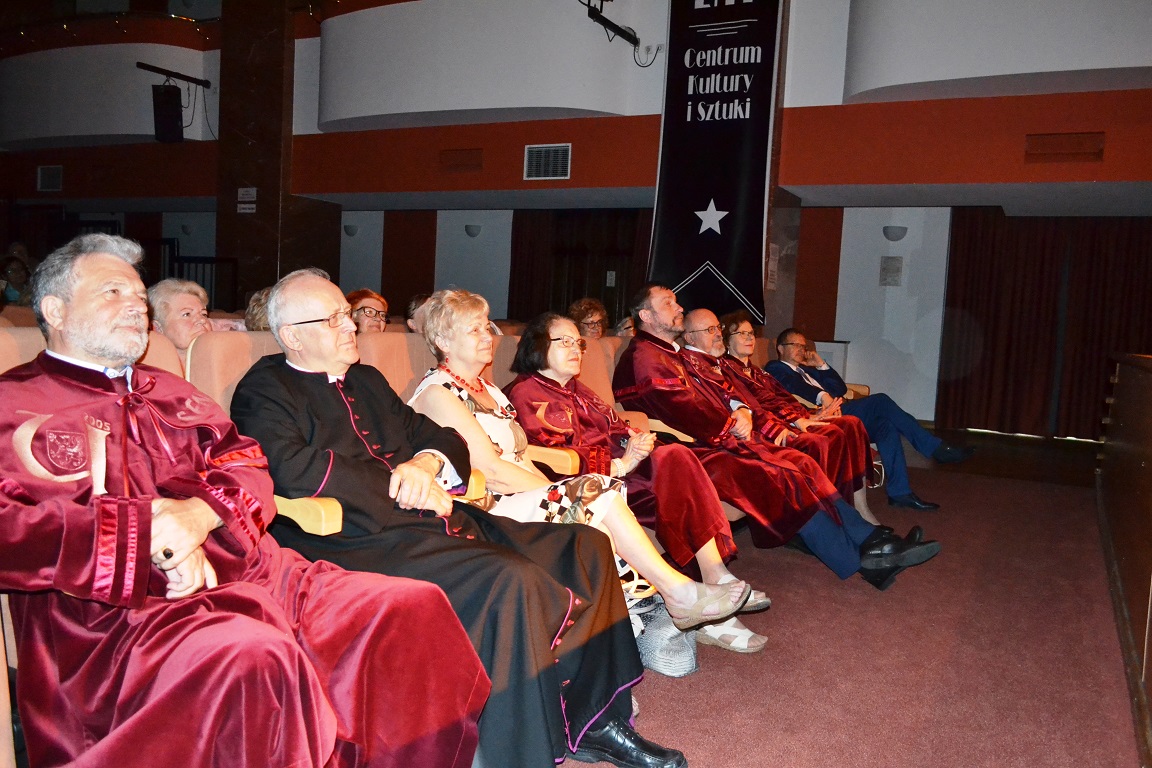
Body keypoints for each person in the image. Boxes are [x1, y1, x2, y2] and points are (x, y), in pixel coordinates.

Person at [0, 234, 489, 768]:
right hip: (120, 618)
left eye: (140, 294)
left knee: (410, 607)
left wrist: (199, 514)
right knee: (257, 656)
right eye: (113, 292)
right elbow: (12, 528)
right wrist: (148, 537)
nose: (137, 305)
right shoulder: (15, 405)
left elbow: (251, 465)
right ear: (56, 310)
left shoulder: (172, 392)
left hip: (261, 575)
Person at [230, 270, 689, 768]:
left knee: (585, 546)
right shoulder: (264, 389)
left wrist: (426, 465)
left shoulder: (367, 380)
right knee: (511, 580)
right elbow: (289, 468)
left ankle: (596, 720)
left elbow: (440, 437)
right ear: (293, 336)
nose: (350, 326)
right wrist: (398, 484)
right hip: (355, 538)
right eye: (334, 318)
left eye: (347, 314)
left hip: (435, 519)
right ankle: (516, 755)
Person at [410, 293, 754, 644]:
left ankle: (658, 606)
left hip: (519, 495)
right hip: (483, 507)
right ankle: (677, 594)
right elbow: (492, 471)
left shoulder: (489, 390)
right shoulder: (438, 393)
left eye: (487, 327)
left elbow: (522, 456)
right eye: (474, 330)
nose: (487, 336)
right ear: (443, 340)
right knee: (596, 491)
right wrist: (561, 491)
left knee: (601, 505)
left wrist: (564, 492)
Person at [613, 284, 941, 591]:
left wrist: (742, 411)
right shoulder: (644, 356)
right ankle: (866, 556)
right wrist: (733, 424)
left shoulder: (669, 353)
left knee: (800, 463)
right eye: (668, 303)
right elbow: (683, 409)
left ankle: (871, 542)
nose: (678, 307)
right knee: (783, 472)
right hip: (695, 451)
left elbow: (726, 393)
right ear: (646, 315)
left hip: (723, 440)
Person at [506, 312, 772, 653]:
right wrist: (620, 463)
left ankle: (714, 578)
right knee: (675, 479)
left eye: (579, 343)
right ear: (538, 346)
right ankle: (714, 602)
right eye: (565, 341)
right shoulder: (527, 393)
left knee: (676, 458)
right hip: (586, 488)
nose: (576, 349)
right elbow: (555, 459)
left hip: (625, 475)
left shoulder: (577, 389)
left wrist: (636, 439)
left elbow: (616, 427)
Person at [767, 327, 975, 511]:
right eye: (795, 345)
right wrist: (823, 396)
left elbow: (840, 388)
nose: (801, 350)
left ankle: (900, 493)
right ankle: (934, 448)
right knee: (881, 401)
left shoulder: (808, 370)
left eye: (803, 346)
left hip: (839, 409)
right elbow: (792, 386)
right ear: (780, 348)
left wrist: (820, 364)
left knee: (886, 427)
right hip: (819, 415)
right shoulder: (775, 368)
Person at [711, 310, 878, 524]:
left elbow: (784, 397)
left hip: (791, 419)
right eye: (742, 333)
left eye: (751, 333)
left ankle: (860, 508)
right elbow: (758, 407)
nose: (749, 338)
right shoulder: (727, 370)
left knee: (852, 423)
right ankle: (833, 516)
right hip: (767, 429)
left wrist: (810, 414)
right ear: (727, 339)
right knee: (827, 438)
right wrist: (798, 420)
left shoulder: (757, 372)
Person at [147, 277, 211, 362]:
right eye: (187, 314)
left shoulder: (222, 364)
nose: (202, 320)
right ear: (157, 327)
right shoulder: (144, 369)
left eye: (204, 314)